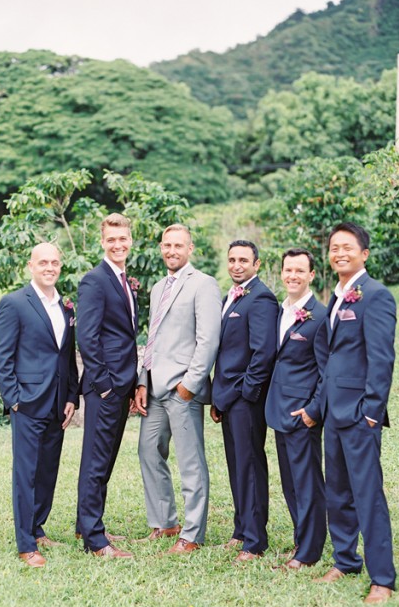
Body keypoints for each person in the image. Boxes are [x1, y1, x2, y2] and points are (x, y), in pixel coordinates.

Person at [307, 222, 396, 604]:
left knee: (367, 494)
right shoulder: (338, 296)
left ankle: (382, 579)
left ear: (364, 253)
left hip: (360, 414)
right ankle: (345, 559)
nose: (339, 252)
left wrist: (372, 412)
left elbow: (382, 358)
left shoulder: (375, 295)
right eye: (333, 247)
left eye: (347, 246)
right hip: (333, 412)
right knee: (338, 491)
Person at [0, 242, 80, 568]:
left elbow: (66, 357)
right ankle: (26, 544)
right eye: (43, 262)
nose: (49, 267)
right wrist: (13, 399)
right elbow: (1, 357)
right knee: (25, 474)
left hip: (58, 404)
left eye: (54, 262)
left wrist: (72, 396)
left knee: (47, 471)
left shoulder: (66, 307)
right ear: (31, 266)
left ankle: (38, 527)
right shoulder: (14, 303)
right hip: (26, 403)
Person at [134, 224, 221, 554]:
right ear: (161, 247)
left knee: (190, 462)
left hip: (183, 387)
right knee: (148, 450)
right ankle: (165, 522)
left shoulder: (203, 284)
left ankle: (192, 534)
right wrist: (143, 380)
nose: (172, 251)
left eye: (178, 245)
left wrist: (190, 384)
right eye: (167, 245)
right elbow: (152, 338)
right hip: (155, 386)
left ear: (190, 248)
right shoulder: (158, 288)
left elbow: (208, 339)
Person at [74, 214, 138, 558]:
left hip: (121, 386)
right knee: (97, 461)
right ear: (103, 242)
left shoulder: (124, 280)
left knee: (105, 459)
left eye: (123, 238)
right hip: (106, 388)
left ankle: (85, 523)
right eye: (112, 239)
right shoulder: (94, 281)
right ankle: (95, 540)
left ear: (130, 240)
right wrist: (106, 386)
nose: (118, 244)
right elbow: (87, 336)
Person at [211, 240, 279, 563]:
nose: (237, 265)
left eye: (243, 260)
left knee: (250, 467)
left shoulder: (261, 298)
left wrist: (246, 394)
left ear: (257, 264)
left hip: (246, 400)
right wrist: (218, 397)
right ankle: (240, 531)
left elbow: (264, 352)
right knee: (237, 467)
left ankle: (254, 542)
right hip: (227, 398)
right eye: (232, 260)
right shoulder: (231, 297)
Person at [264, 248, 328, 571]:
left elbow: (327, 370)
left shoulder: (320, 317)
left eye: (299, 270)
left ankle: (310, 552)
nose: (292, 276)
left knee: (307, 483)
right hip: (279, 411)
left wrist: (312, 410)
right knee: (290, 483)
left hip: (303, 416)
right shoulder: (280, 311)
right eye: (288, 270)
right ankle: (301, 539)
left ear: (311, 275)